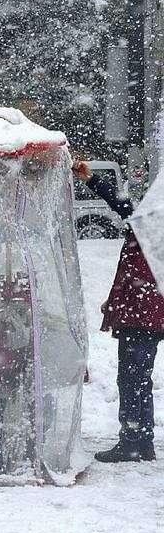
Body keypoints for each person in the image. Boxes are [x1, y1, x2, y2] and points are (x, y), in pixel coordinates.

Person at [74, 161, 163, 462]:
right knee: (139, 378)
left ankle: (131, 441)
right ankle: (143, 440)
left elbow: (124, 206)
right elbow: (123, 204)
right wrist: (91, 179)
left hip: (142, 316)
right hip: (143, 314)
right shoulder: (149, 228)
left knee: (131, 378)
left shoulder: (154, 230)